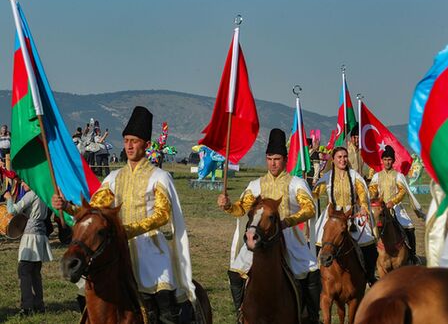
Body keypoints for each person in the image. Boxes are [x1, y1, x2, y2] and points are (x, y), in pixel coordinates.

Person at [52, 106, 195, 323]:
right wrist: (68, 207)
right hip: (116, 247)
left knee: (164, 301)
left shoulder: (160, 177)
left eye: (134, 141)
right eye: (126, 140)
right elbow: (94, 209)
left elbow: (162, 215)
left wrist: (128, 229)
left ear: (146, 145)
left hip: (150, 248)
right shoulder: (113, 178)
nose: (128, 145)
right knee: (87, 292)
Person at [217, 128, 321, 324]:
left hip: (289, 238)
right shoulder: (255, 185)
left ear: (285, 159)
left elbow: (309, 208)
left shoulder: (296, 183)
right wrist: (228, 205)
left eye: (277, 159)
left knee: (311, 272)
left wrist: (287, 222)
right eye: (269, 159)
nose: (273, 163)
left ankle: (312, 317)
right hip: (261, 238)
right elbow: (241, 209)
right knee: (235, 271)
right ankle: (241, 312)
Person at [313, 146, 378, 286]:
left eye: (345, 156)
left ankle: (369, 276)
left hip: (353, 215)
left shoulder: (355, 176)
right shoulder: (327, 177)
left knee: (369, 246)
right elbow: (314, 194)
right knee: (318, 244)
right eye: (339, 157)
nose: (343, 160)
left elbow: (363, 195)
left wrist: (365, 208)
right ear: (333, 159)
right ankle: (318, 279)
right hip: (332, 216)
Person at [368, 145, 425, 264]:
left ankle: (412, 256)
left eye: (389, 159)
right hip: (379, 208)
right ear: (382, 160)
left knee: (409, 227)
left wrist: (392, 202)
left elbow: (402, 191)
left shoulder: (399, 176)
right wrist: (374, 196)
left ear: (393, 161)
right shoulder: (376, 176)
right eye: (385, 159)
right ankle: (371, 259)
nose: (387, 162)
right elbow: (372, 189)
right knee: (369, 230)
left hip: (395, 208)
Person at [4, 182, 53, 316]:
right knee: (35, 272)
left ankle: (27, 307)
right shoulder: (43, 194)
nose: (22, 183)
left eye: (24, 180)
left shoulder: (32, 194)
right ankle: (39, 305)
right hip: (40, 235)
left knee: (24, 271)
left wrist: (8, 198)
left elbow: (12, 211)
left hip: (31, 236)